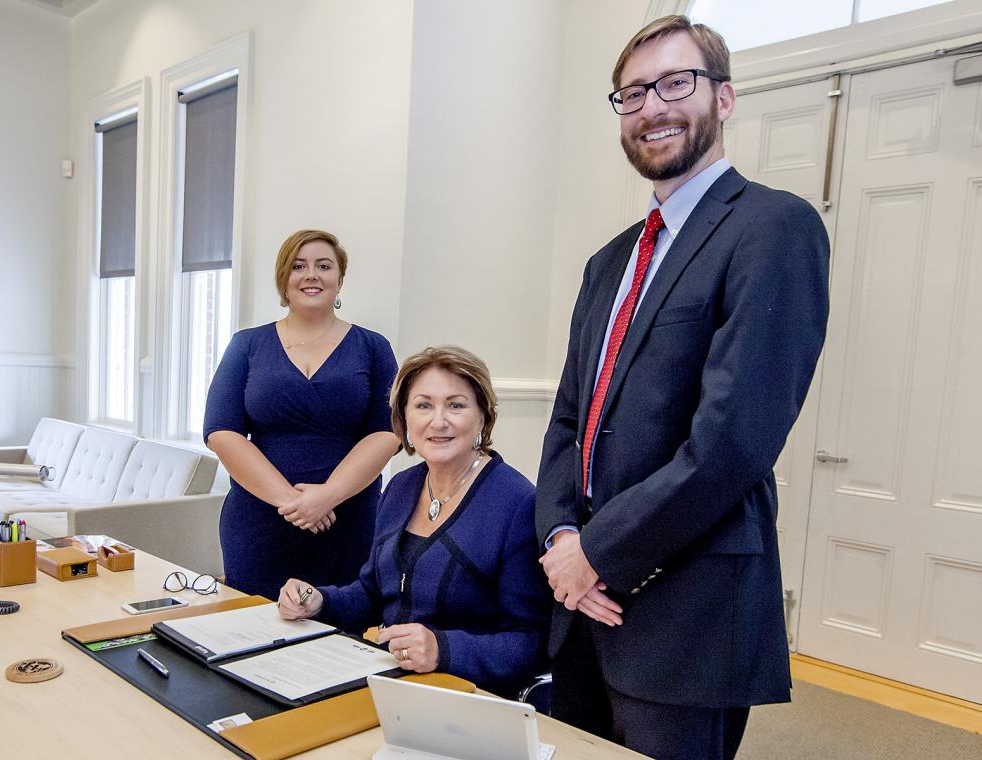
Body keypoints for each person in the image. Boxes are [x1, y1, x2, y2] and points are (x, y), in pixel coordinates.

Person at [535, 15, 829, 760]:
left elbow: (731, 443)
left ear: (724, 99)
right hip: (581, 608)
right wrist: (561, 538)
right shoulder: (609, 263)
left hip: (686, 613)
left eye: (675, 83)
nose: (652, 107)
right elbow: (570, 423)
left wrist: (594, 553)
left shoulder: (773, 228)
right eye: (632, 94)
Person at [278, 346, 549, 697]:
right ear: (403, 418)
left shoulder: (518, 503)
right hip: (390, 682)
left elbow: (532, 642)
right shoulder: (401, 487)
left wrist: (442, 649)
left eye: (456, 405)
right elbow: (373, 592)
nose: (438, 421)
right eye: (423, 405)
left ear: (483, 415)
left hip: (471, 697)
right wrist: (321, 601)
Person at [203, 229, 399, 600]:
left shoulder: (373, 347)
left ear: (339, 280)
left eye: (324, 266)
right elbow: (220, 431)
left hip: (347, 518)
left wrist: (328, 496)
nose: (312, 275)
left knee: (341, 628)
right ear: (284, 280)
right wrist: (291, 502)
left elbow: (387, 432)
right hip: (260, 519)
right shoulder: (247, 345)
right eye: (299, 266)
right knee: (251, 627)